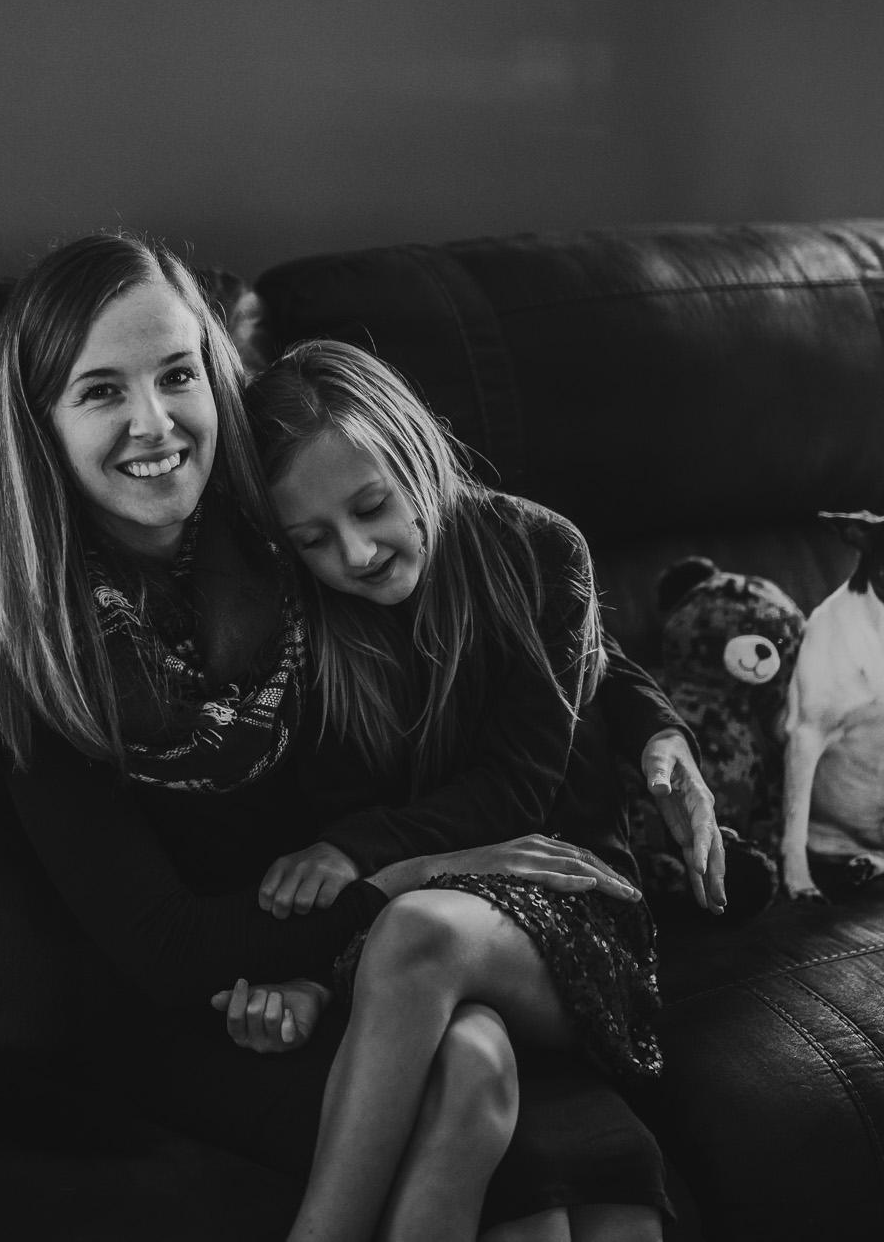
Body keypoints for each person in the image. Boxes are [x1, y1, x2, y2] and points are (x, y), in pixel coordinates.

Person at [0, 233, 652, 1240]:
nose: (154, 421)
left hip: (346, 958)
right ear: (40, 425)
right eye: (99, 391)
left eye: (176, 373)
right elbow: (167, 950)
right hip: (190, 1005)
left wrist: (653, 721)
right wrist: (411, 873)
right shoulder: (39, 659)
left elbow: (510, 592)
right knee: (518, 1131)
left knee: (508, 1095)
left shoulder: (282, 527)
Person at [234, 338, 728, 1242]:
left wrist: (359, 849)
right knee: (469, 1063)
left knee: (419, 930)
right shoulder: (306, 621)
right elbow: (303, 803)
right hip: (399, 927)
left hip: (561, 902)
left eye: (372, 506)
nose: (355, 551)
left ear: (416, 449)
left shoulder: (537, 551)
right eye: (313, 540)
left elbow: (518, 786)